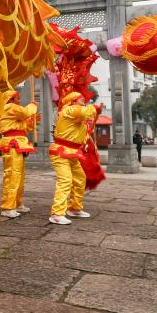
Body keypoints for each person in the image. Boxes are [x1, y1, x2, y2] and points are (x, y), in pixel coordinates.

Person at [48, 92, 99, 225]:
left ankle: (74, 208)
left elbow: (82, 135)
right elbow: (84, 113)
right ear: (74, 101)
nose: (84, 100)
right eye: (82, 99)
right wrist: (94, 109)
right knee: (65, 180)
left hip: (72, 152)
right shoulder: (69, 109)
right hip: (60, 152)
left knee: (80, 178)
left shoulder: (77, 116)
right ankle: (57, 214)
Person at [0, 91, 37, 219]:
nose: (19, 100)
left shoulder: (13, 111)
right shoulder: (9, 107)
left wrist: (30, 122)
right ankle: (8, 207)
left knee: (19, 176)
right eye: (17, 98)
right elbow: (25, 112)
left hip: (18, 143)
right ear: (10, 99)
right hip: (12, 144)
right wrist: (32, 106)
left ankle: (17, 203)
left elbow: (24, 127)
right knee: (12, 176)